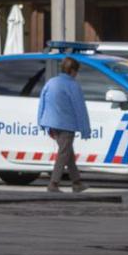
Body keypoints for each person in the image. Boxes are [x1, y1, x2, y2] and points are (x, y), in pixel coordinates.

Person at [38, 58, 91, 193]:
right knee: (64, 154)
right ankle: (53, 183)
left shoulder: (51, 82)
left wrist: (41, 121)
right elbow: (80, 108)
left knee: (68, 153)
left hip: (52, 124)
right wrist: (85, 128)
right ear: (72, 71)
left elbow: (42, 103)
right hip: (66, 125)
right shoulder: (72, 85)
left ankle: (77, 183)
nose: (77, 74)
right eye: (76, 71)